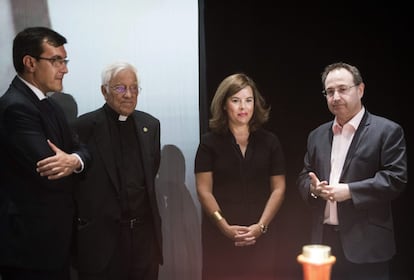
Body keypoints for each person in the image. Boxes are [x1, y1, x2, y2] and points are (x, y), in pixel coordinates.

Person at [297, 62, 407, 280]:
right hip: (324, 245)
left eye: (342, 89)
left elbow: (395, 179)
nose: (335, 97)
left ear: (360, 89)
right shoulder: (316, 135)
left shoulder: (387, 131)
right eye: (329, 92)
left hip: (367, 245)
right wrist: (313, 189)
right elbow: (303, 176)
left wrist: (349, 191)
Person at [0, 26, 91, 280]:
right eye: (56, 60)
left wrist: (74, 160)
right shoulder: (15, 107)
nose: (65, 69)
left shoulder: (50, 105)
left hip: (53, 243)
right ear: (30, 62)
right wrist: (75, 160)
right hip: (30, 248)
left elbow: (81, 150)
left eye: (64, 60)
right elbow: (50, 168)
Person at [71, 61, 163, 280]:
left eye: (134, 88)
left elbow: (151, 171)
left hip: (143, 241)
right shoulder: (83, 127)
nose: (128, 94)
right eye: (120, 88)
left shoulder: (150, 125)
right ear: (104, 91)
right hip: (102, 243)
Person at [194, 73, 286, 280]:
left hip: (262, 236)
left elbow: (279, 188)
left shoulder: (270, 141)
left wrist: (261, 227)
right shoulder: (209, 143)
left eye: (248, 100)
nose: (243, 107)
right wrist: (223, 226)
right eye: (235, 100)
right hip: (221, 236)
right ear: (224, 105)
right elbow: (203, 190)